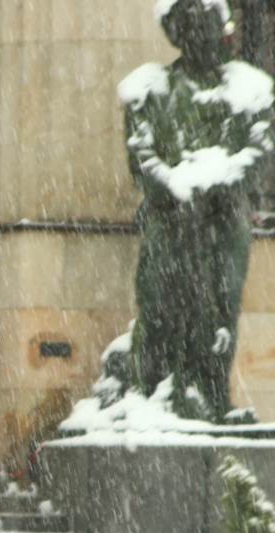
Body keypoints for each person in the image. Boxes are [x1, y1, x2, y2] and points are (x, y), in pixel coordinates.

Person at [121, 0, 274, 421]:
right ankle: (153, 392)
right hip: (169, 222)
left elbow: (258, 152)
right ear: (177, 33)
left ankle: (210, 392)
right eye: (189, 27)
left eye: (206, 26)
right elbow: (142, 156)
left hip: (224, 224)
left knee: (219, 309)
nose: (201, 36)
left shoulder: (248, 90)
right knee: (158, 304)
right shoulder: (151, 91)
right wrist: (175, 188)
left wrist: (215, 185)